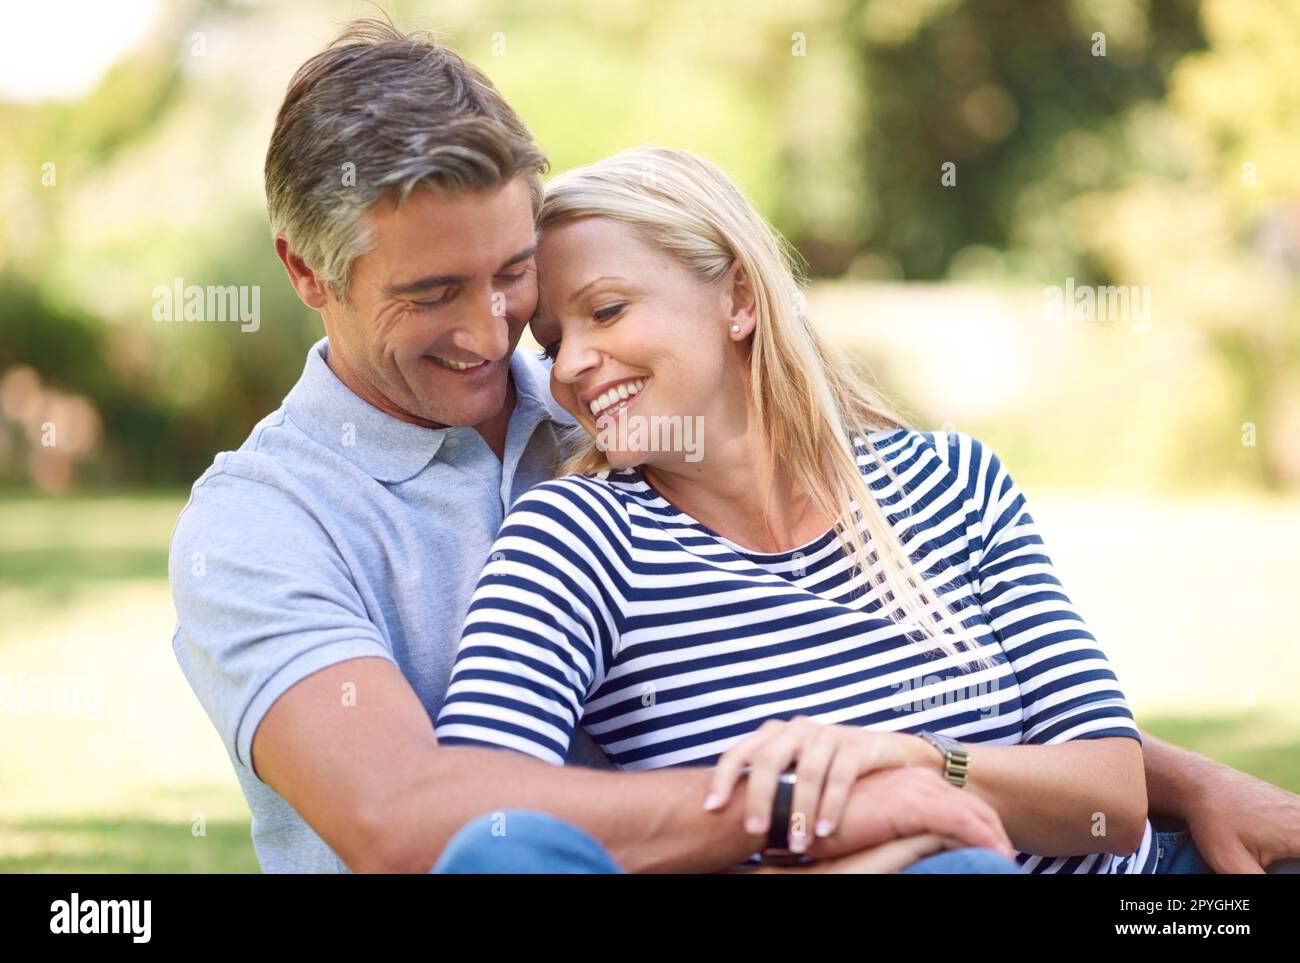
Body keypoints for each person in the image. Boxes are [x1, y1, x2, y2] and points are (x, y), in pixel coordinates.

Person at [170, 17, 1300, 874]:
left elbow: (1022, 733)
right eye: (430, 293)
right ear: (307, 273)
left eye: (514, 275)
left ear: (740, 300)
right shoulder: (268, 521)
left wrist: (1165, 780)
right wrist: (811, 806)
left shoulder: (613, 415)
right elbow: (415, 818)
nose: (500, 335)